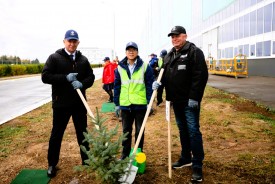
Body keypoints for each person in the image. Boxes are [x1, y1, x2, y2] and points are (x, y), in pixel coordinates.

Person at [152, 26, 208, 182]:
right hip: (175, 101)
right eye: (172, 37)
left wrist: (195, 97)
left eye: (177, 36)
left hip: (189, 102)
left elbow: (200, 76)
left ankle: (197, 165)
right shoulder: (170, 54)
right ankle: (185, 157)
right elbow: (163, 74)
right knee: (183, 130)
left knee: (193, 131)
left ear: (185, 36)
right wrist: (157, 84)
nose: (174, 39)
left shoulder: (194, 52)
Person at [41, 29, 95, 178]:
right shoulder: (54, 58)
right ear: (64, 41)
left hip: (78, 103)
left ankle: (87, 160)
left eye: (74, 41)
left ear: (78, 42)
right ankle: (52, 163)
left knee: (82, 133)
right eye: (69, 40)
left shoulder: (83, 60)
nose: (72, 43)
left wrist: (82, 84)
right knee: (57, 134)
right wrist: (66, 78)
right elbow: (45, 76)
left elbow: (91, 77)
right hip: (61, 104)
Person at [114, 41, 154, 160]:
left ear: (137, 52)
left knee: (139, 131)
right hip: (125, 105)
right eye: (129, 50)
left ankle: (137, 156)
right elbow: (117, 86)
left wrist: (149, 102)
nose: (131, 52)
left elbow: (149, 85)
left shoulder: (145, 66)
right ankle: (125, 155)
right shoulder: (120, 68)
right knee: (126, 132)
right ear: (126, 52)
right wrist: (117, 104)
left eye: (133, 50)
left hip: (140, 105)